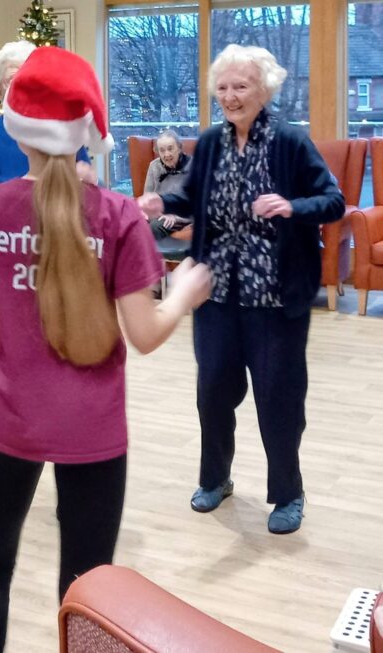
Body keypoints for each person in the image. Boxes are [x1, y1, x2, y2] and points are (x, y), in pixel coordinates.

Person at [0, 47, 211, 651]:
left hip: (8, 421)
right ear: (85, 133)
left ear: (16, 127)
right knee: (88, 588)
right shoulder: (116, 214)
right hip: (94, 428)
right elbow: (145, 334)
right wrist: (185, 294)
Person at [138, 45, 344, 535]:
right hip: (216, 293)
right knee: (212, 393)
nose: (230, 96)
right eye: (223, 87)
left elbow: (333, 200)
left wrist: (292, 206)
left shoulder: (291, 142)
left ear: (264, 89)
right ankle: (215, 478)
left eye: (241, 86)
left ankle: (288, 494)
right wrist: (158, 200)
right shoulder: (209, 143)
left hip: (276, 300)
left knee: (279, 400)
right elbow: (189, 196)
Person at [0, 40, 96, 213]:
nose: (18, 87)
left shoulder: (61, 127)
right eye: (11, 80)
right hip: (8, 225)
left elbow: (89, 181)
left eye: (26, 79)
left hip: (60, 218)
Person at [143, 129, 193, 240]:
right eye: (162, 150)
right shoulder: (154, 166)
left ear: (179, 148)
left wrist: (175, 217)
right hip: (160, 214)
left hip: (185, 216)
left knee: (155, 227)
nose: (167, 154)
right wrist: (161, 214)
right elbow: (147, 198)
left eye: (170, 149)